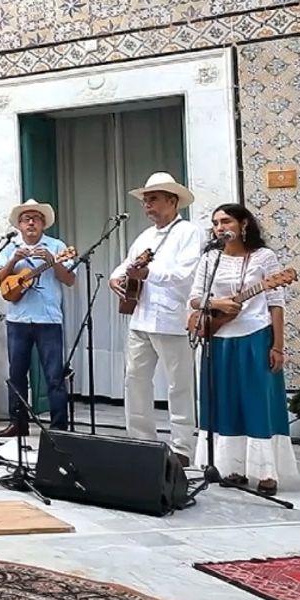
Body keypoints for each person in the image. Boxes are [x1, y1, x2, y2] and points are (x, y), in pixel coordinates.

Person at [189, 203, 296, 496]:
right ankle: (231, 468)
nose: (220, 227)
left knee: (257, 402)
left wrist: (277, 346)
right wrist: (218, 304)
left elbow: (276, 303)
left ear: (243, 224)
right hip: (219, 337)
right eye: (215, 223)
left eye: (226, 221)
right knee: (224, 401)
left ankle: (265, 473)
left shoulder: (264, 257)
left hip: (255, 335)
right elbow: (196, 299)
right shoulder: (210, 258)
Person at [108, 173, 204, 467]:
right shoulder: (145, 236)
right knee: (134, 380)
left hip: (173, 319)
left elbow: (185, 275)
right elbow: (124, 267)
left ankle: (183, 447)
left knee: (179, 385)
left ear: (172, 201)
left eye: (153, 199)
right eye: (145, 200)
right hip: (141, 318)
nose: (146, 205)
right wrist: (116, 279)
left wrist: (149, 274)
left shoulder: (189, 232)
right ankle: (141, 440)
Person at [0, 199, 76, 436]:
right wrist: (13, 261)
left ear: (43, 224)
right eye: (26, 218)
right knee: (17, 375)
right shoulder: (10, 246)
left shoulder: (57, 246)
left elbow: (70, 280)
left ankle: (59, 427)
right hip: (17, 319)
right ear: (19, 225)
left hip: (48, 320)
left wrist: (52, 262)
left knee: (54, 376)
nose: (31, 222)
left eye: (36, 218)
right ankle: (18, 424)